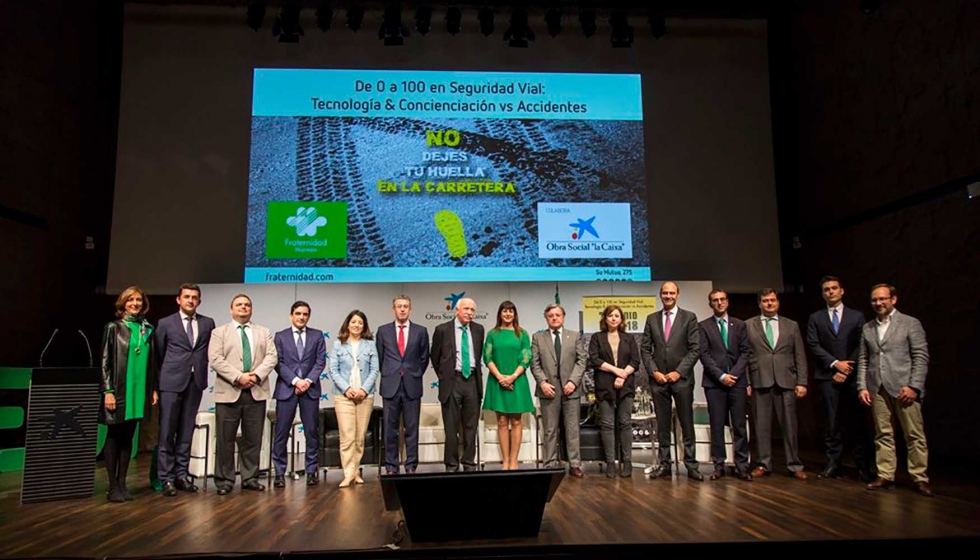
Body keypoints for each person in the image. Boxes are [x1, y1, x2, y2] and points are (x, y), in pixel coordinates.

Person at [857, 284, 932, 496]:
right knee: (883, 434)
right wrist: (862, 386)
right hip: (877, 389)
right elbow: (864, 359)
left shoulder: (910, 323)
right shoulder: (868, 327)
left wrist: (914, 386)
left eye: (882, 299)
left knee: (914, 435)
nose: (878, 303)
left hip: (904, 388)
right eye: (874, 300)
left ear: (893, 299)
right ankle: (885, 475)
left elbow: (920, 356)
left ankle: (920, 477)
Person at [208, 294, 278, 495]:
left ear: (251, 309)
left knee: (253, 438)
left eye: (247, 305)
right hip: (229, 391)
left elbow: (272, 357)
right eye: (239, 305)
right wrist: (239, 377)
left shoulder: (263, 332)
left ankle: (250, 478)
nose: (243, 307)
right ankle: (224, 480)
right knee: (225, 439)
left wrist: (255, 376)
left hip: (255, 391)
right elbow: (215, 359)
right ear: (231, 309)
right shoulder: (219, 332)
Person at [806, 276, 873, 482]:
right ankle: (834, 464)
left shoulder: (857, 316)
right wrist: (835, 364)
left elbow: (862, 343)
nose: (830, 292)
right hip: (827, 376)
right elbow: (813, 344)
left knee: (857, 421)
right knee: (831, 422)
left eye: (834, 288)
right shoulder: (816, 318)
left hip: (853, 376)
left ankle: (862, 466)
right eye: (826, 289)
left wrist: (846, 368)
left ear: (842, 291)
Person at [154, 283, 215, 497]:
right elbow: (159, 354)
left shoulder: (208, 323)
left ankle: (181, 475)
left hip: (195, 381)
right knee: (167, 432)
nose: (191, 300)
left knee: (187, 431)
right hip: (171, 383)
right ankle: (166, 478)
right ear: (178, 299)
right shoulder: (165, 323)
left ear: (199, 301)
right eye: (187, 297)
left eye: (195, 297)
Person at [99, 286, 159, 503]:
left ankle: (123, 484)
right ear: (123, 303)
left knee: (128, 439)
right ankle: (112, 486)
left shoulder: (147, 329)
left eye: (139, 300)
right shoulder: (113, 328)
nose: (135, 303)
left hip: (138, 391)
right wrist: (108, 391)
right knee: (114, 436)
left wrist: (152, 388)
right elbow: (105, 362)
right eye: (131, 300)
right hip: (118, 391)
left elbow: (152, 363)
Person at [640, 282, 703, 480]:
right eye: (665, 293)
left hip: (681, 380)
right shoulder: (652, 319)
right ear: (660, 295)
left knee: (686, 422)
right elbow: (645, 349)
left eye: (671, 293)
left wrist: (678, 372)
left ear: (678, 294)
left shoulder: (689, 317)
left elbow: (695, 349)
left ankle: (691, 465)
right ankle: (665, 464)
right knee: (663, 425)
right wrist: (654, 372)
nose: (668, 296)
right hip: (659, 381)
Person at [745, 288, 809, 480]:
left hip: (786, 380)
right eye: (765, 301)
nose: (769, 304)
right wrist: (747, 382)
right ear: (759, 304)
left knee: (790, 425)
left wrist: (802, 382)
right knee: (761, 426)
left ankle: (794, 464)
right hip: (760, 380)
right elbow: (745, 356)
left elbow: (799, 355)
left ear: (778, 302)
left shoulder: (791, 326)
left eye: (772, 300)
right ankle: (764, 463)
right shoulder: (748, 325)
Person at [698, 289, 752, 481]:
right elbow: (704, 355)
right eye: (715, 300)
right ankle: (718, 465)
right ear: (710, 304)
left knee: (739, 425)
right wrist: (721, 376)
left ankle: (742, 466)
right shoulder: (703, 326)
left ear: (727, 302)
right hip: (715, 384)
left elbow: (745, 352)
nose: (719, 303)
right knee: (717, 425)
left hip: (737, 382)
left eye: (722, 300)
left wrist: (733, 375)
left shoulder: (739, 325)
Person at [272, 301, 326, 488]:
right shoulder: (280, 336)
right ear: (291, 315)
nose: (301, 317)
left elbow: (320, 362)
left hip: (310, 390)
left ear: (308, 316)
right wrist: (295, 381)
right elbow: (278, 363)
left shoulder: (317, 335)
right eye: (298, 313)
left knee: (312, 433)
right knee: (281, 433)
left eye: (305, 314)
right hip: (287, 389)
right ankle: (279, 473)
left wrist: (307, 382)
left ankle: (311, 471)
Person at [531, 303, 588, 477]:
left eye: (557, 315)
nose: (554, 318)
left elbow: (581, 361)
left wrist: (573, 381)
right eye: (551, 316)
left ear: (563, 317)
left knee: (572, 429)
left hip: (571, 390)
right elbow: (535, 363)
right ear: (546, 318)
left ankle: (575, 464)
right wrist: (542, 382)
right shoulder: (538, 337)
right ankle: (549, 463)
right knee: (550, 429)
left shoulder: (575, 336)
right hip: (548, 390)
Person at [375, 296, 429, 475]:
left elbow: (424, 358)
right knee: (390, 429)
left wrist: (414, 373)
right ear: (393, 309)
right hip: (390, 385)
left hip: (412, 385)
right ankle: (391, 466)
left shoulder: (420, 331)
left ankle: (411, 465)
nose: (403, 309)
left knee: (411, 428)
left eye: (406, 306)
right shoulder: (383, 331)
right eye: (399, 306)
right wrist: (391, 372)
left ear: (410, 309)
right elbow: (380, 357)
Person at [430, 298, 485, 472]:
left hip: (472, 382)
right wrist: (445, 375)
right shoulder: (442, 330)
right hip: (452, 381)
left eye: (472, 310)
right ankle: (451, 464)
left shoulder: (478, 329)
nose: (469, 312)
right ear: (457, 311)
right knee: (451, 427)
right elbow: (435, 357)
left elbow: (478, 355)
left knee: (471, 426)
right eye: (466, 308)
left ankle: (469, 463)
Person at [328, 310, 379, 488]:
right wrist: (347, 389)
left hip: (365, 397)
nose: (357, 325)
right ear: (347, 324)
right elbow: (333, 370)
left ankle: (355, 470)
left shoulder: (370, 345)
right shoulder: (338, 345)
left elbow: (374, 370)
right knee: (347, 436)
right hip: (343, 397)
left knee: (359, 437)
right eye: (354, 322)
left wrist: (364, 390)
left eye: (360, 323)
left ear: (364, 326)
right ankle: (348, 473)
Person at [588, 305, 640, 478]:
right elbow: (595, 359)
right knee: (608, 424)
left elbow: (635, 361)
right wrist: (616, 371)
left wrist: (623, 374)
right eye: (610, 315)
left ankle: (627, 461)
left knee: (625, 423)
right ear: (605, 318)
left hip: (626, 386)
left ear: (621, 319)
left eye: (617, 316)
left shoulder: (629, 338)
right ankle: (610, 462)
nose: (613, 318)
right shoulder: (597, 337)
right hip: (604, 386)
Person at [482, 301, 535, 470]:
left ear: (515, 314)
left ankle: (514, 461)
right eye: (504, 311)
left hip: (517, 381)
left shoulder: (522, 334)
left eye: (511, 311)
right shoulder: (492, 334)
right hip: (497, 381)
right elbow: (487, 357)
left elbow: (526, 357)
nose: (507, 314)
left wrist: (512, 377)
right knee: (502, 421)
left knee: (517, 421)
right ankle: (505, 461)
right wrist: (500, 378)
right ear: (500, 314)